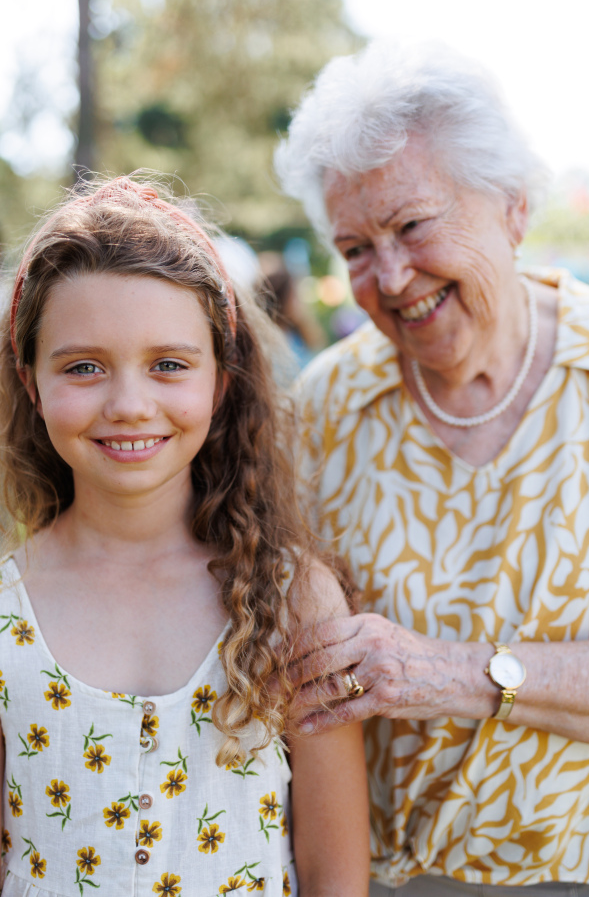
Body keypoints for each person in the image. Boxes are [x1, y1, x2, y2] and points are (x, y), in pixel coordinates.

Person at [275, 40, 589, 895]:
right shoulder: (323, 407)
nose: (389, 277)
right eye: (354, 248)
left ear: (514, 207)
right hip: (382, 878)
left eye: (413, 226)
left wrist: (460, 674)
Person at [0, 176, 370, 896]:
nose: (130, 405)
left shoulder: (294, 599)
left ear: (222, 381)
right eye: (83, 367)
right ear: (32, 381)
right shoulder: (6, 612)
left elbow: (336, 874)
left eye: (169, 364)